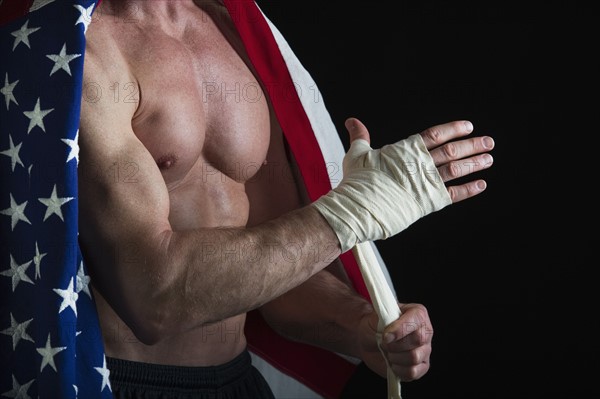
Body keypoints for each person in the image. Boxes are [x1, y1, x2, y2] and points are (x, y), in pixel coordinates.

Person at [77, 0, 495, 398]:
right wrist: (353, 210)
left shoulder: (236, 32)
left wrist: (362, 324)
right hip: (117, 382)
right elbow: (154, 297)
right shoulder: (80, 50)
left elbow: (276, 271)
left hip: (237, 382)